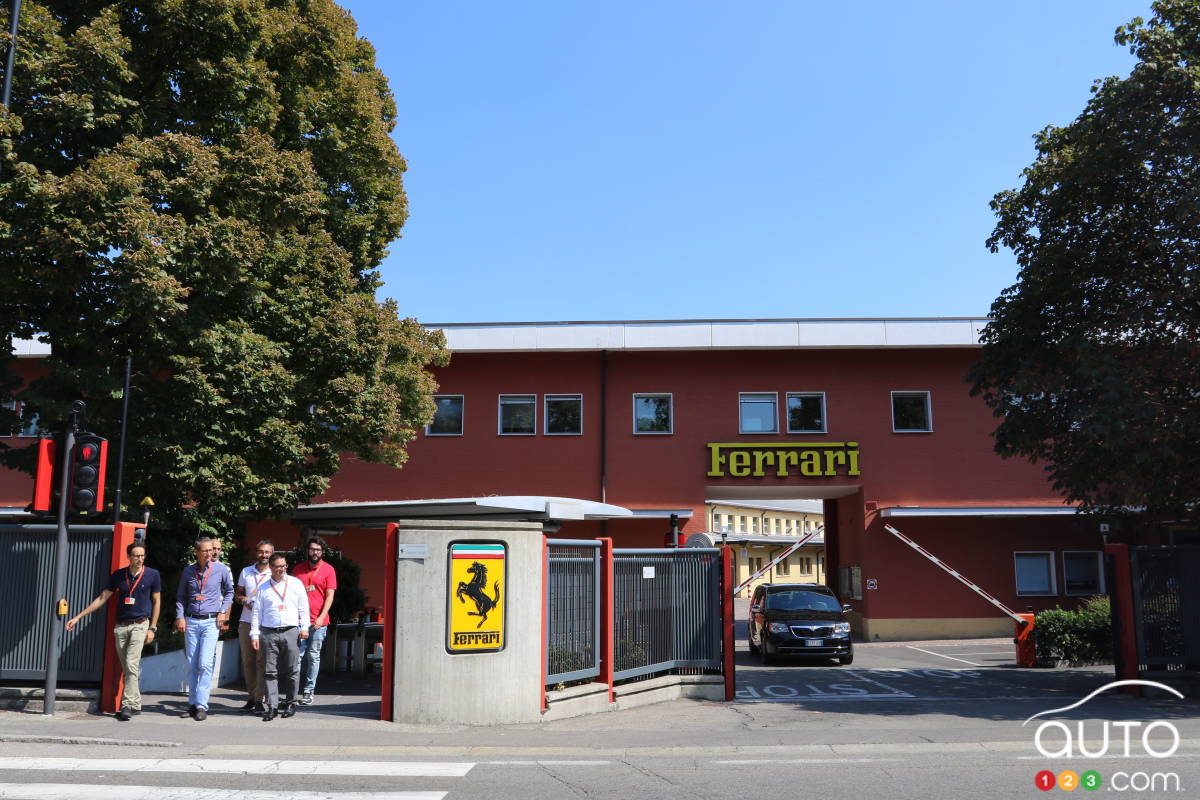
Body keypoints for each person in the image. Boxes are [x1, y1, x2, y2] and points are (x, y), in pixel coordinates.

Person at [66, 541, 161, 721]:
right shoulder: (118, 575)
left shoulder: (152, 575)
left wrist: (152, 628)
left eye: (142, 556)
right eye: (136, 556)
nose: (140, 559)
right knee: (127, 666)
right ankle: (136, 703)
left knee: (131, 663)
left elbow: (157, 601)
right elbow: (103, 597)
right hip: (121, 626)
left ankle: (126, 705)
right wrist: (79, 616)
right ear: (129, 557)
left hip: (140, 624)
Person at [174, 535, 234, 721]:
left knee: (205, 664)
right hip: (191, 621)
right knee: (192, 664)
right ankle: (192, 703)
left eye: (211, 550)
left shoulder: (221, 570)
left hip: (211, 622)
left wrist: (223, 611)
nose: (210, 553)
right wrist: (180, 617)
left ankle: (202, 705)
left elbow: (230, 591)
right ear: (197, 552)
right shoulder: (188, 571)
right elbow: (181, 597)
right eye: (205, 550)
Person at [251, 552, 309, 721]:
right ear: (271, 567)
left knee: (292, 670)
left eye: (284, 566)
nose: (281, 569)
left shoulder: (296, 584)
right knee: (270, 671)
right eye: (278, 567)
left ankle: (291, 702)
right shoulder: (263, 588)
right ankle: (273, 706)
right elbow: (256, 613)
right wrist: (255, 634)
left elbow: (304, 607)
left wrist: (304, 627)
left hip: (291, 630)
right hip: (268, 632)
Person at [292, 535, 336, 706]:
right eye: (312, 549)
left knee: (313, 656)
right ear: (307, 551)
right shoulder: (298, 569)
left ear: (322, 552)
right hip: (300, 622)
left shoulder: (329, 570)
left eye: (318, 550)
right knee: (297, 657)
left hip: (319, 622)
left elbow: (330, 595)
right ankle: (292, 691)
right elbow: (292, 595)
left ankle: (309, 691)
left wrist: (321, 617)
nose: (315, 552)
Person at [235, 539, 274, 713]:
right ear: (256, 552)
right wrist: (244, 601)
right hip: (246, 621)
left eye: (267, 552)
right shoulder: (246, 571)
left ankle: (260, 699)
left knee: (262, 662)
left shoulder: (275, 573)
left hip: (265, 624)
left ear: (271, 554)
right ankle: (252, 696)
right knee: (248, 662)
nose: (263, 555)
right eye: (260, 552)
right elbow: (238, 594)